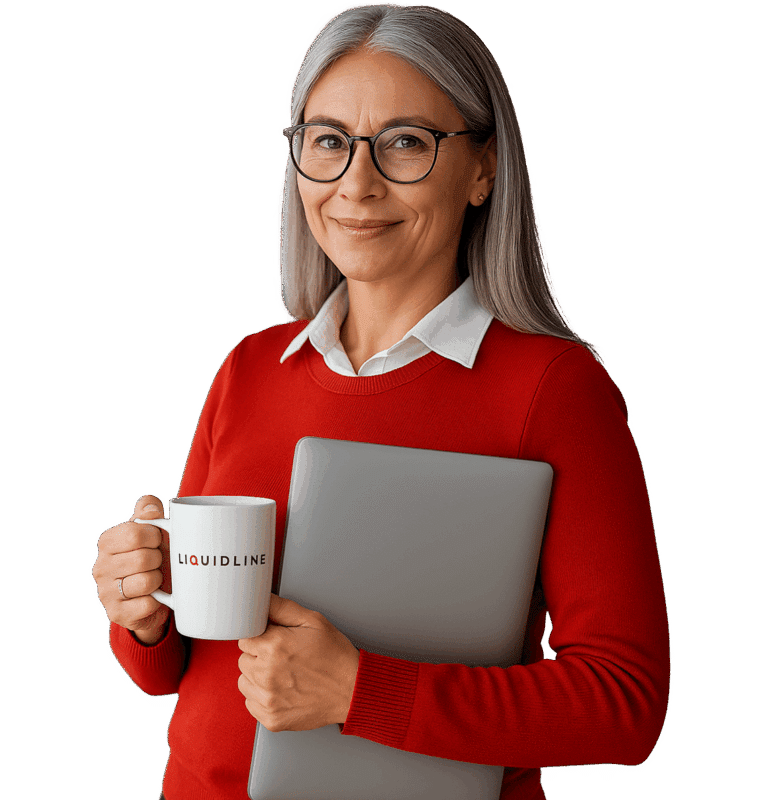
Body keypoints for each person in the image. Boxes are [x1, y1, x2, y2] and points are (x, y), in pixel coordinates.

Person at [90, 2, 670, 798]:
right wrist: (141, 611)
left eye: (405, 143)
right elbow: (178, 671)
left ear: (483, 168)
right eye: (328, 142)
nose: (356, 185)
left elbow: (622, 705)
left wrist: (361, 693)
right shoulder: (251, 367)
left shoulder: (554, 391)